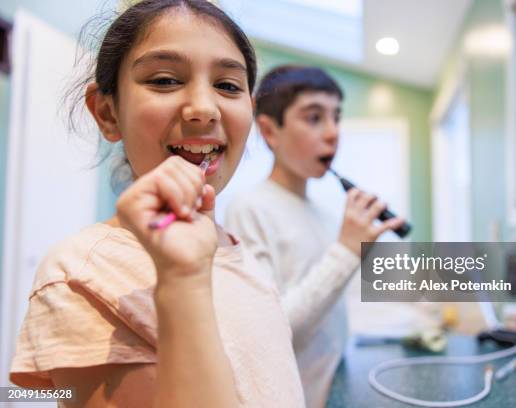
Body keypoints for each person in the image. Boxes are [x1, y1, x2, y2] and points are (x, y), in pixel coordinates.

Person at [9, 1, 305, 407]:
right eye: (165, 80)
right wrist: (181, 278)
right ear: (108, 113)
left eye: (228, 86)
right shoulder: (81, 274)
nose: (204, 108)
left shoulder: (239, 253)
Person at [224, 65, 405, 408]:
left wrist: (361, 252)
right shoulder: (249, 209)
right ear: (268, 131)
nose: (333, 133)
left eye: (336, 117)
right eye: (314, 118)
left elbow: (330, 306)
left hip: (330, 388)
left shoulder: (322, 212)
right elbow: (272, 333)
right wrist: (347, 251)